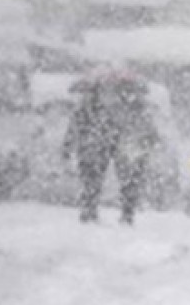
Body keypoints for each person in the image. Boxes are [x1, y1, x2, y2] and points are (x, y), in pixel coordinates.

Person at [62, 71, 160, 225]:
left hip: (98, 143)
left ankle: (92, 212)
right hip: (121, 145)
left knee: (94, 179)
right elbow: (148, 128)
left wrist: (68, 146)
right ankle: (123, 214)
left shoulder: (89, 105)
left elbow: (75, 126)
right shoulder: (136, 106)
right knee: (127, 179)